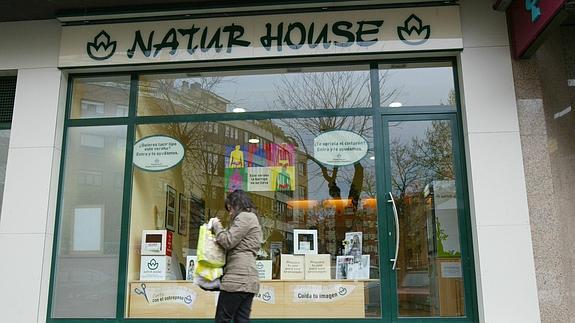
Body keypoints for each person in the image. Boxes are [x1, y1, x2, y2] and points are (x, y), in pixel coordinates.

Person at [211, 190, 263, 323]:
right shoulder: (252, 218)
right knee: (241, 320)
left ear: (237, 204)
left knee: (222, 319)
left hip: (237, 279)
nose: (230, 213)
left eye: (230, 208)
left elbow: (228, 241)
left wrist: (217, 226)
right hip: (247, 280)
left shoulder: (245, 217)